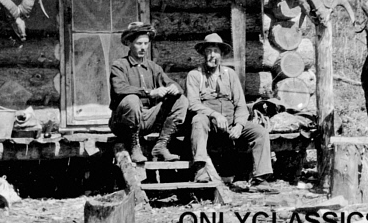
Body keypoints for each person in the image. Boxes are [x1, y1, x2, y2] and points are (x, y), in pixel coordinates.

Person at [185, 33, 274, 190]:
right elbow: (193, 104)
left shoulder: (229, 74)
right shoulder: (194, 75)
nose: (213, 55)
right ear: (203, 53)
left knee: (259, 132)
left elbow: (240, 104)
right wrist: (215, 114)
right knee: (198, 120)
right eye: (209, 51)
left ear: (221, 55)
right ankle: (200, 170)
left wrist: (239, 124)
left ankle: (261, 178)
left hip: (230, 122)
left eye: (216, 51)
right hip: (208, 123)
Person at [109, 22, 188, 164]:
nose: (143, 48)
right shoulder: (119, 66)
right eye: (139, 43)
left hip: (147, 119)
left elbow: (172, 83)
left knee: (181, 100)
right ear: (129, 43)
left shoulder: (153, 67)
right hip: (123, 123)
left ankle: (161, 145)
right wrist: (149, 92)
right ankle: (134, 146)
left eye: (146, 43)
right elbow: (119, 89)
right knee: (132, 100)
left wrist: (173, 87)